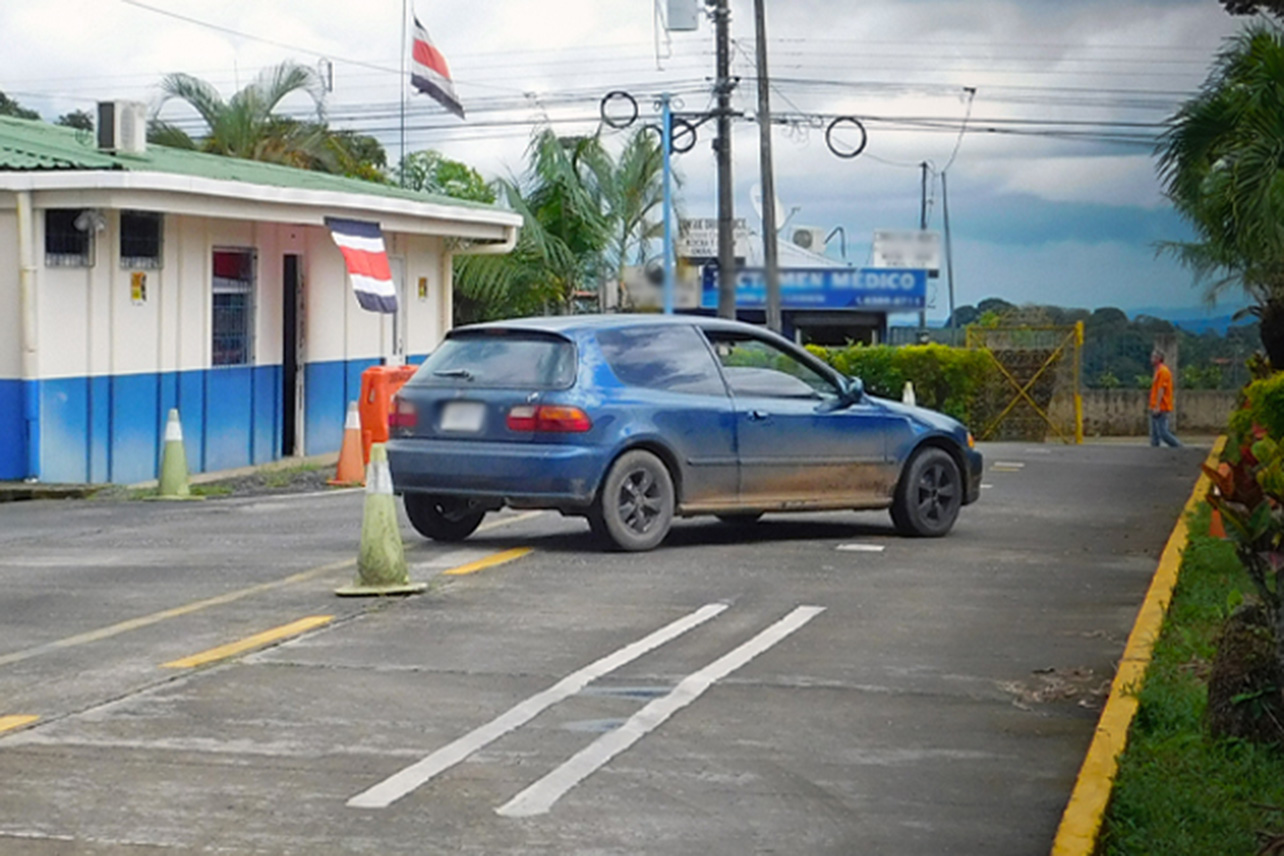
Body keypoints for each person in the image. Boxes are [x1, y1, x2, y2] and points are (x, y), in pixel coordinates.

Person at [1149, 350, 1181, 448]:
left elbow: (1161, 389)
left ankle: (1179, 447)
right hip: (1155, 405)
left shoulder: (1163, 371)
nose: (1151, 359)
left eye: (1154, 357)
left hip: (1161, 407)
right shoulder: (1158, 371)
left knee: (1163, 433)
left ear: (1159, 359)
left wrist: (1158, 406)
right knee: (1154, 435)